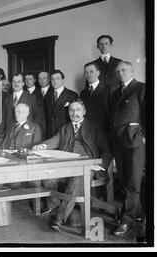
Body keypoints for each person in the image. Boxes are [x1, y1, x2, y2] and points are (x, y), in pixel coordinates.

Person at [33, 99, 112, 232]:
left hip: (86, 167)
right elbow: (54, 141)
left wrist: (99, 166)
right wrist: (43, 146)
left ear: (84, 111)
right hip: (65, 165)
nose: (74, 113)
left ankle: (59, 217)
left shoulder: (95, 128)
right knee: (48, 177)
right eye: (71, 110)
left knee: (76, 180)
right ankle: (58, 205)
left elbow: (106, 150)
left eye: (78, 110)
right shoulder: (64, 128)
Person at [109, 61, 146, 237]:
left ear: (132, 71)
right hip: (118, 142)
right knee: (124, 181)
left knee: (133, 182)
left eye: (124, 70)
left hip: (135, 142)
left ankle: (127, 219)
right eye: (118, 71)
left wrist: (143, 135)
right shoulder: (115, 93)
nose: (121, 73)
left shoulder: (142, 88)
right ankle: (138, 214)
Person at [44, 70, 78, 139]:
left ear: (63, 80)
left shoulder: (72, 95)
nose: (55, 81)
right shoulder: (47, 96)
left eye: (57, 78)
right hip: (50, 134)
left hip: (65, 133)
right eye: (52, 79)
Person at [80, 62, 111, 133]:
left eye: (91, 71)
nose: (88, 74)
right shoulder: (83, 93)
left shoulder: (108, 89)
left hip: (104, 130)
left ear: (98, 73)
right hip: (88, 130)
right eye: (86, 72)